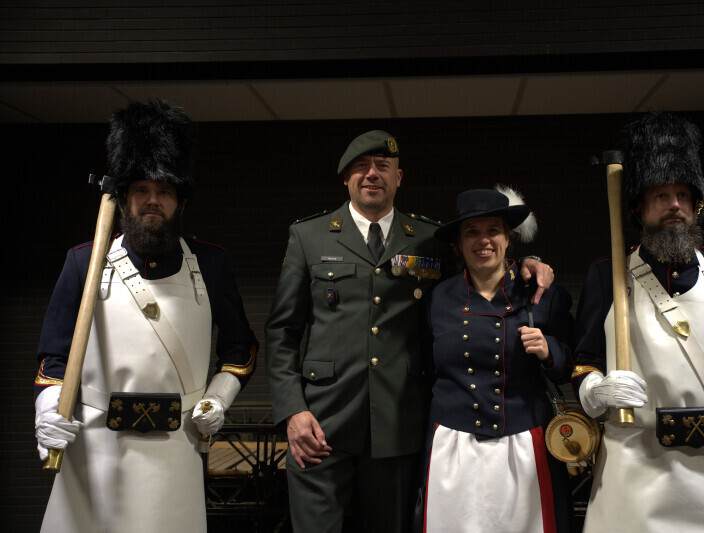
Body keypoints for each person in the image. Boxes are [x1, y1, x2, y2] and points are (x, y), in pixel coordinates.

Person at [265, 130, 554, 533]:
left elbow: (482, 266)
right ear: (346, 178)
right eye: (361, 167)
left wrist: (527, 262)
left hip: (398, 425)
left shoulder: (428, 239)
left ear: (398, 178)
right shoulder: (308, 236)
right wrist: (292, 411)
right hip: (321, 423)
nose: (372, 174)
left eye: (383, 166)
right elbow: (282, 331)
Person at [33, 99, 258, 533]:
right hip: (95, 450)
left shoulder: (211, 265)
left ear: (180, 201)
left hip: (176, 450)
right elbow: (52, 359)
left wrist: (218, 398)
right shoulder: (83, 262)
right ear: (123, 199)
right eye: (141, 190)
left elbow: (240, 348)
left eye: (165, 191)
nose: (153, 200)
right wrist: (48, 410)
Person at [572, 111, 704, 532]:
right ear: (639, 206)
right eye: (661, 195)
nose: (674, 205)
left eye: (683, 194)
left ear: (696, 203)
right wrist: (595, 391)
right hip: (633, 470)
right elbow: (584, 362)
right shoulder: (607, 275)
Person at [422, 187, 575, 533]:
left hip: (525, 445)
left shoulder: (541, 293)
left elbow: (570, 365)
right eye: (471, 232)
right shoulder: (437, 299)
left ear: (508, 239)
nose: (483, 240)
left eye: (493, 230)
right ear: (459, 243)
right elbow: (427, 371)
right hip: (453, 448)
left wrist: (549, 350)